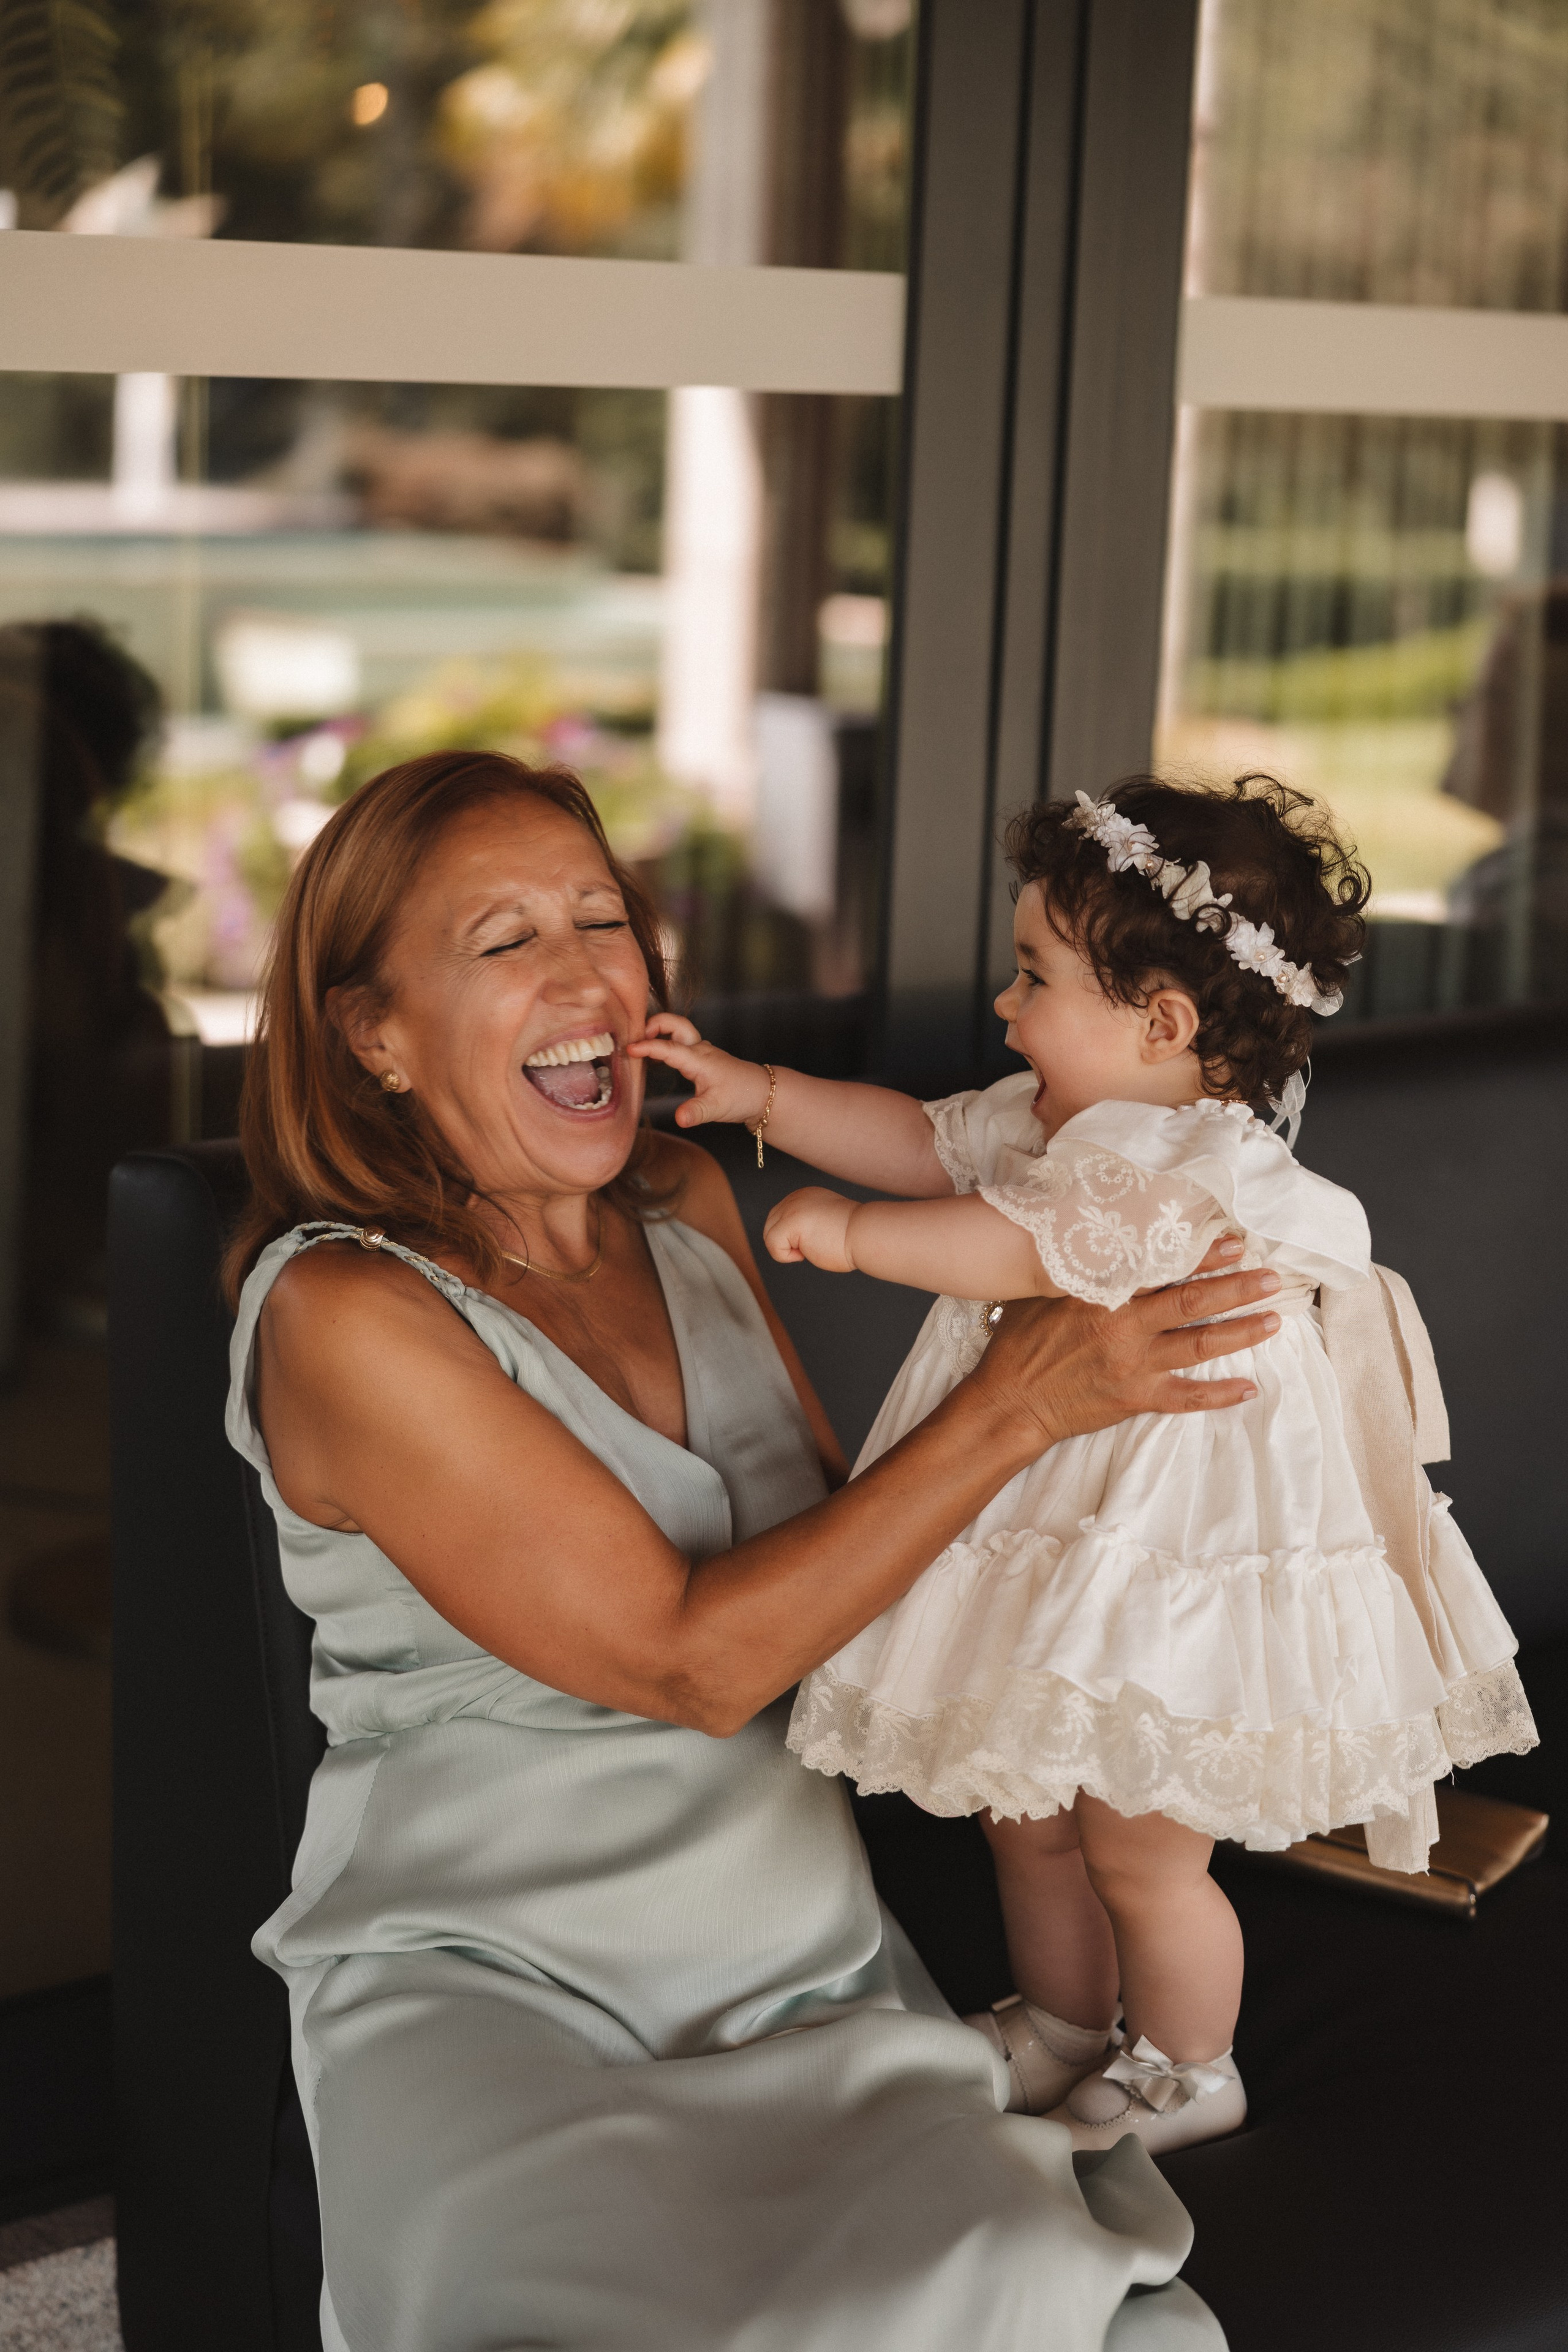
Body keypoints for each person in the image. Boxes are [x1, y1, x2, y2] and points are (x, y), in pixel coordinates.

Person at [223, 748, 1284, 2352]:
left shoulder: (686, 1199)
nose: (587, 972)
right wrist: (1022, 1402)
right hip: (504, 1992)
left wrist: (1192, 1644)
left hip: (805, 1969)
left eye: (602, 918)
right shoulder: (343, 1314)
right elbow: (695, 1661)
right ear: (375, 1033)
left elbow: (857, 1564)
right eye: (504, 942)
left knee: (1074, 2309)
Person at [635, 774, 1537, 2162]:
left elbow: (1018, 1250)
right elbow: (923, 1138)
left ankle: (1189, 2066)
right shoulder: (1061, 1115)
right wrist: (757, 1094)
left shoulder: (1186, 1168)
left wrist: (849, 1237)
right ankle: (1063, 2020)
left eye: (1031, 974)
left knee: (1138, 1842)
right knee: (1025, 1806)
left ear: (1160, 1024)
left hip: (1174, 1554)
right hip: (1056, 1520)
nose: (1004, 1006)